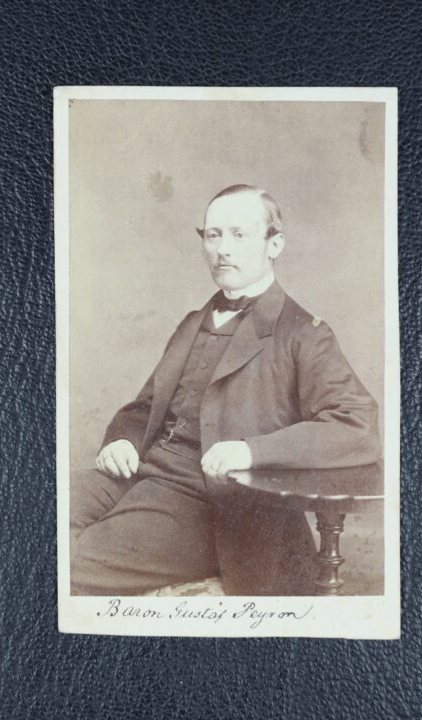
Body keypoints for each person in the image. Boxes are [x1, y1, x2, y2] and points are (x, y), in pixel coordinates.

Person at [71, 184, 381, 596]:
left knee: (74, 563)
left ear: (274, 244)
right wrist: (123, 440)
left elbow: (357, 425)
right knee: (35, 515)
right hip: (138, 473)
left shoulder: (304, 334)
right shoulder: (193, 322)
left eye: (239, 235)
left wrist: (252, 451)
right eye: (214, 235)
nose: (223, 249)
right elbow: (145, 408)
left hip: (211, 502)